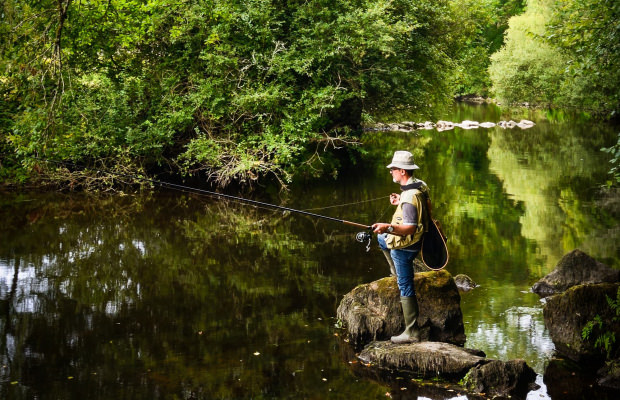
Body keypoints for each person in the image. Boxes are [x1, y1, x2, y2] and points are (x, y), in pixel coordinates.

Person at [372, 150, 430, 344]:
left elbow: (410, 227)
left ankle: (412, 332)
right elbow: (423, 211)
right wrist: (400, 202)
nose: (391, 172)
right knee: (382, 240)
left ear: (403, 172)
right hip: (420, 239)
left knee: (405, 286)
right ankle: (395, 270)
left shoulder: (409, 197)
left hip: (405, 247)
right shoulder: (419, 186)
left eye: (394, 169)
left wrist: (387, 226)